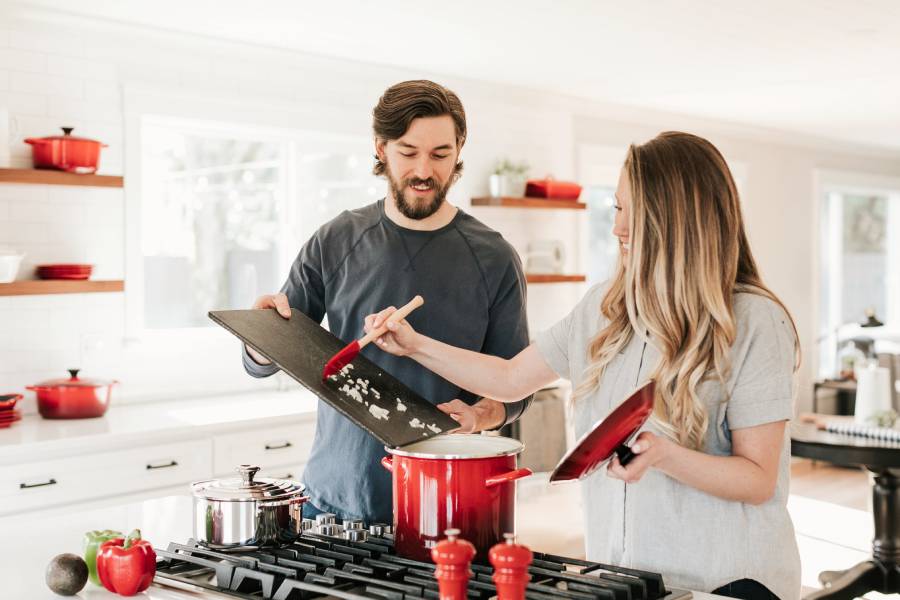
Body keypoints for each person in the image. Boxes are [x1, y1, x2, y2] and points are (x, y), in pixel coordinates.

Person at [365, 131, 801, 599]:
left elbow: (758, 479)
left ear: (680, 220)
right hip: (626, 579)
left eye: (635, 211)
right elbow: (511, 378)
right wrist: (414, 345)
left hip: (728, 583)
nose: (618, 227)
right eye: (616, 208)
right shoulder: (604, 309)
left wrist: (665, 455)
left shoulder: (755, 320)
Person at [242, 79, 533, 525]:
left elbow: (516, 389)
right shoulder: (336, 239)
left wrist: (479, 415)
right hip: (331, 501)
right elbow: (270, 353)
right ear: (381, 148)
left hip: (445, 504)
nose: (424, 170)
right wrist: (258, 338)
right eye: (408, 152)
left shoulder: (494, 258)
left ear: (458, 151)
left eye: (440, 154)